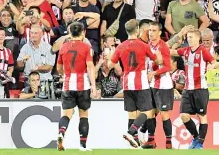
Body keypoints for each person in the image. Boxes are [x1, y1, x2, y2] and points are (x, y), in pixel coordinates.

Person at [108, 19, 162, 148]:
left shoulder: (121, 46)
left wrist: (112, 53)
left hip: (127, 83)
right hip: (140, 82)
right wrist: (159, 55)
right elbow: (158, 62)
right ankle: (131, 132)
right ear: (137, 30)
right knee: (148, 112)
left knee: (132, 114)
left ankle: (135, 142)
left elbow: (110, 64)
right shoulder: (143, 45)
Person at [170, 29, 217, 149]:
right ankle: (196, 137)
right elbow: (171, 52)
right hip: (187, 89)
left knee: (202, 116)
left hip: (200, 89)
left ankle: (200, 144)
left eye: (190, 37)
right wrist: (175, 41)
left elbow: (214, 62)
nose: (188, 39)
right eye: (187, 37)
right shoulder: (185, 51)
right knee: (184, 115)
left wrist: (211, 66)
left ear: (197, 38)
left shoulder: (203, 51)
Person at [56, 22, 97, 151]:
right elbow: (90, 67)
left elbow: (59, 68)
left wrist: (66, 74)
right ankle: (83, 146)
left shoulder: (63, 47)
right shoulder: (86, 47)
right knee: (83, 114)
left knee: (66, 114)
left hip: (68, 85)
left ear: (70, 33)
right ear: (83, 32)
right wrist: (93, 86)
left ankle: (61, 133)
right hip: (82, 85)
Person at [141, 21, 172, 149]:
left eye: (154, 30)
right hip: (151, 84)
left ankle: (169, 143)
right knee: (150, 113)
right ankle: (151, 140)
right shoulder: (147, 45)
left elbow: (168, 67)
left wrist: (154, 72)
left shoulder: (163, 46)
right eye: (149, 30)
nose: (151, 33)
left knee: (164, 114)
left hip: (163, 85)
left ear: (159, 32)